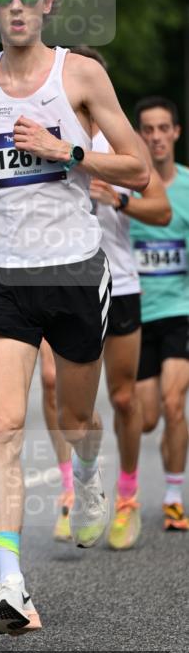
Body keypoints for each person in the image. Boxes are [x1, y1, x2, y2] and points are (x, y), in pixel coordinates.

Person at [0, 0, 149, 636]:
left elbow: (140, 171)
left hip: (73, 268)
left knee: (74, 417)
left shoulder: (78, 73)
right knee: (1, 427)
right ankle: (9, 586)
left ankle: (88, 472)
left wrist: (68, 152)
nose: (16, 8)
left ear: (47, 4)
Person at [39, 48, 171, 550]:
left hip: (120, 282)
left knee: (122, 397)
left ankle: (130, 496)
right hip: (62, 278)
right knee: (54, 382)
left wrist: (114, 196)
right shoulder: (44, 131)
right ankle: (73, 494)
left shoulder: (120, 142)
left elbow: (158, 209)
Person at [130, 96, 189, 532]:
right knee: (146, 417)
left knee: (174, 403)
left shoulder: (188, 186)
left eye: (162, 128)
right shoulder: (125, 187)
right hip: (137, 313)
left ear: (175, 133)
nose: (155, 137)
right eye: (147, 130)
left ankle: (172, 495)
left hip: (181, 310)